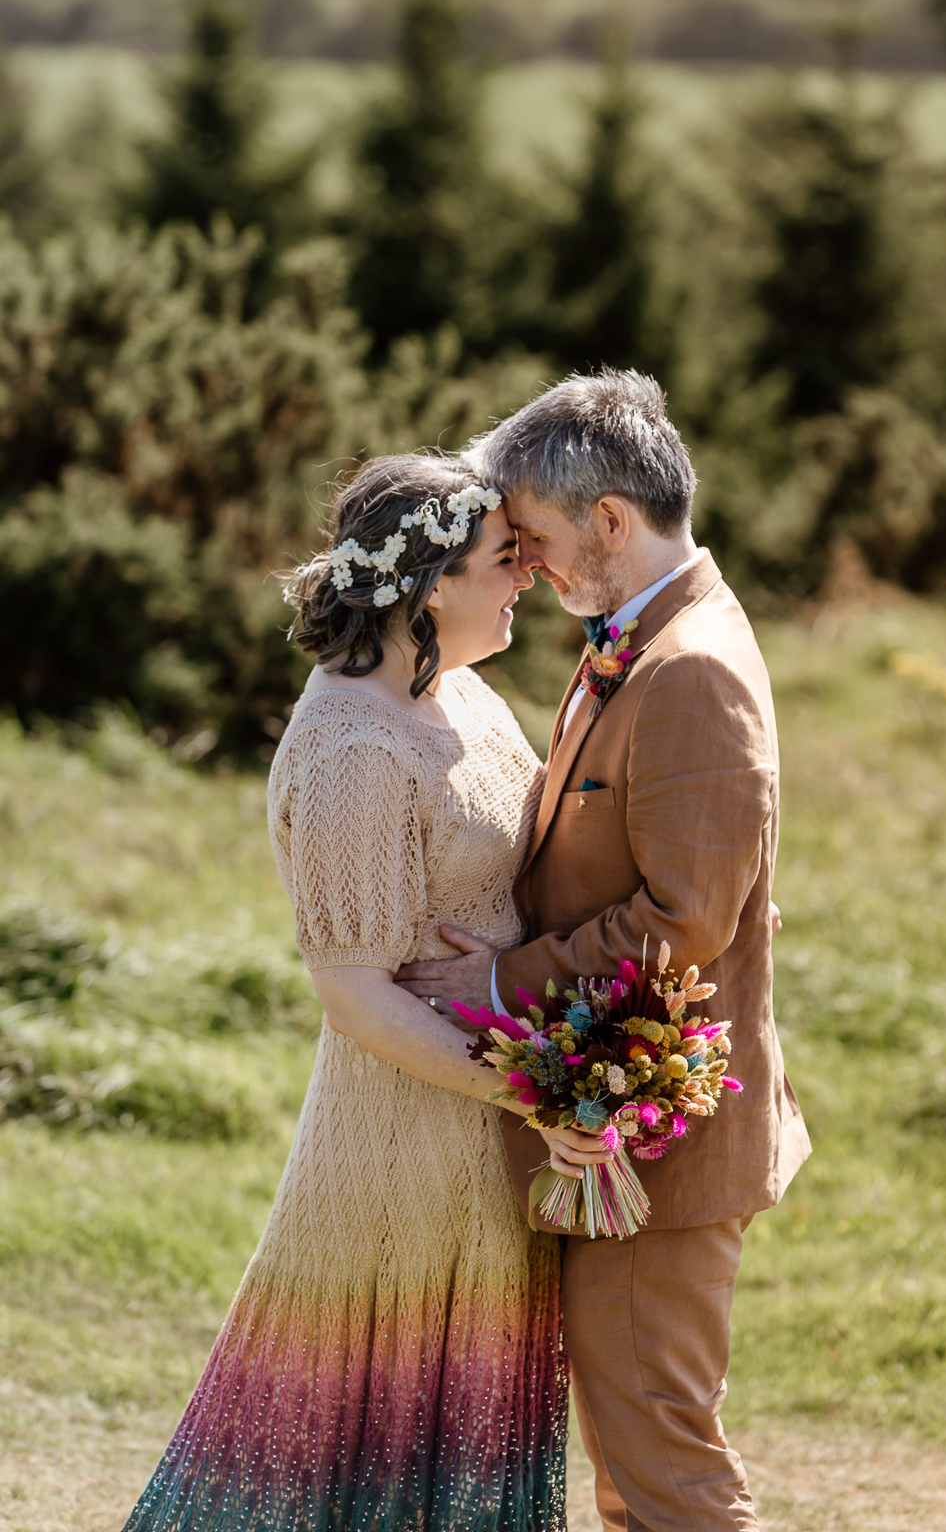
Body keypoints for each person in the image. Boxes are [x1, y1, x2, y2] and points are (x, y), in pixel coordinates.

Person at [122, 455, 604, 1532]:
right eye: (502, 561)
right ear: (428, 584)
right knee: (345, 1450)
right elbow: (355, 998)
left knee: (461, 1438)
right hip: (397, 1139)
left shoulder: (462, 693)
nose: (523, 578)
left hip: (486, 1132)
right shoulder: (350, 745)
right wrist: (536, 1091)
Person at [396, 371, 813, 1532]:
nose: (522, 564)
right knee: (636, 1466)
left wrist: (491, 982)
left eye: (529, 536)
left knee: (663, 1467)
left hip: (661, 1151)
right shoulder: (639, 639)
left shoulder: (691, 673)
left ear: (611, 521)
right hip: (616, 1125)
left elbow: (685, 920)